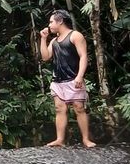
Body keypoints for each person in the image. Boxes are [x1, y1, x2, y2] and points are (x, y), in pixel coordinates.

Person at [38, 9, 96, 148]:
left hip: (73, 78)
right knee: (59, 109)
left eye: (51, 22)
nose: (49, 25)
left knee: (79, 108)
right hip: (58, 80)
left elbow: (83, 56)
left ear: (60, 21)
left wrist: (80, 76)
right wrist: (43, 39)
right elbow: (45, 57)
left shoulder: (75, 35)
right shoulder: (54, 41)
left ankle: (86, 139)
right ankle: (59, 139)